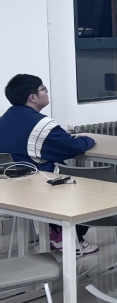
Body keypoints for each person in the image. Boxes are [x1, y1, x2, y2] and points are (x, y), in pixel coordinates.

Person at [0, 74, 99, 255]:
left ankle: (54, 231)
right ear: (32, 97)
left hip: (9, 188)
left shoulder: (4, 119)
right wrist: (88, 139)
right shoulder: (41, 124)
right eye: (43, 88)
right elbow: (72, 147)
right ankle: (71, 239)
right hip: (37, 187)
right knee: (89, 189)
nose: (47, 92)